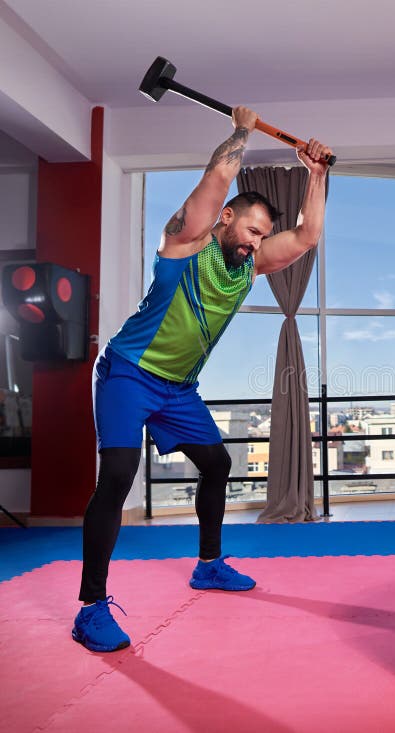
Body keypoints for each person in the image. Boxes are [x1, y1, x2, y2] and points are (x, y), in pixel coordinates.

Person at [72, 106, 332, 652]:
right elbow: (213, 186)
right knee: (118, 473)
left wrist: (316, 173)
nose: (257, 242)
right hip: (129, 373)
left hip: (177, 390)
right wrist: (240, 130)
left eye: (263, 236)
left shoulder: (249, 269)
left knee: (215, 464)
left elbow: (307, 236)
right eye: (251, 230)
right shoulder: (185, 245)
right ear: (225, 221)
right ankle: (91, 607)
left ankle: (208, 565)